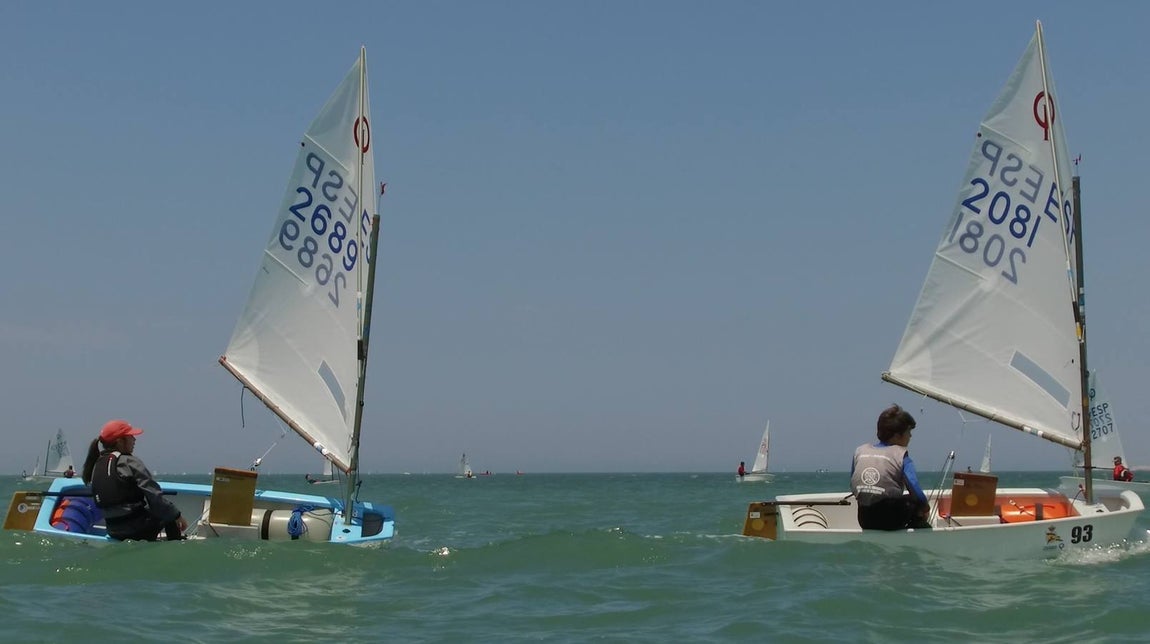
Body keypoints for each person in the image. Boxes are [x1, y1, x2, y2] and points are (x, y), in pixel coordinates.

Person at [82, 419, 187, 541]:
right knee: (168, 513)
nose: (134, 440)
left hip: (112, 529)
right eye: (131, 436)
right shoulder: (129, 462)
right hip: (136, 529)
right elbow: (155, 499)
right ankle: (175, 549)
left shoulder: (97, 464)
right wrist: (177, 516)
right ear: (120, 441)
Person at [850, 404, 931, 530]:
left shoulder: (860, 451)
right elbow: (915, 490)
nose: (910, 436)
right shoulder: (901, 455)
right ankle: (919, 531)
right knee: (917, 501)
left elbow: (853, 482)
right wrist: (925, 508)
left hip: (864, 519)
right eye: (908, 432)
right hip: (891, 520)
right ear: (897, 436)